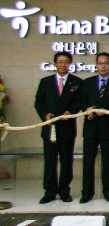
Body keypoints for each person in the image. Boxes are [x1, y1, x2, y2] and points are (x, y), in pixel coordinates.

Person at [34, 51, 84, 204]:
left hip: (67, 127)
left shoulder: (77, 82)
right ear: (55, 63)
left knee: (66, 161)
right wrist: (45, 115)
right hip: (49, 127)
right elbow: (39, 102)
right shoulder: (45, 82)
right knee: (50, 161)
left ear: (70, 64)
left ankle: (64, 191)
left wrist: (71, 112)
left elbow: (80, 102)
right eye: (60, 62)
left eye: (66, 62)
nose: (63, 65)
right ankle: (49, 192)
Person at [78, 52, 109, 203]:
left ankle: (108, 191)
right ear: (96, 65)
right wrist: (87, 110)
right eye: (100, 63)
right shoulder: (87, 82)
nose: (103, 66)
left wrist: (105, 111)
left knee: (108, 159)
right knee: (88, 160)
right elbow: (81, 102)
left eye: (106, 63)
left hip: (108, 127)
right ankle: (87, 192)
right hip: (91, 127)